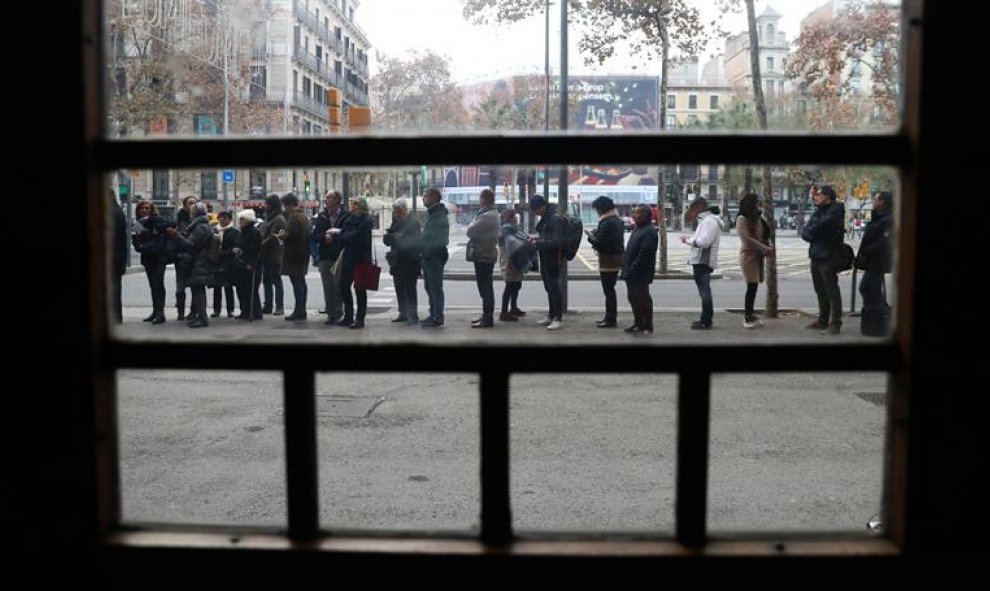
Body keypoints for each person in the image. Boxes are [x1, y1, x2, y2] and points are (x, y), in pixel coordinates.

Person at [801, 185, 846, 335]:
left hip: (828, 255)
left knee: (832, 290)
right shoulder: (818, 212)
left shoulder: (836, 209)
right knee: (820, 290)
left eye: (819, 194)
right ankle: (822, 320)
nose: (816, 197)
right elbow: (805, 232)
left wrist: (814, 230)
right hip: (815, 254)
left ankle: (835, 323)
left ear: (827, 196)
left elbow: (824, 225)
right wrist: (815, 230)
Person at [167, 202, 213, 328]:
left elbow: (190, 245)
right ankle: (200, 316)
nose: (190, 214)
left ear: (195, 213)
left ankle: (202, 318)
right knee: (197, 291)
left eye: (192, 212)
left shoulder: (200, 227)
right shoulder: (202, 226)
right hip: (199, 262)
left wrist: (176, 235)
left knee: (198, 292)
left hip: (199, 263)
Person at [681, 197, 724, 330]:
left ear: (700, 208)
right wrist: (691, 239)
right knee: (704, 292)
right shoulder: (706, 221)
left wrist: (688, 241)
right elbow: (701, 239)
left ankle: (706, 320)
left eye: (693, 209)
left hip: (703, 262)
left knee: (705, 292)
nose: (692, 213)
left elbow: (704, 242)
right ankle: (705, 319)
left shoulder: (709, 222)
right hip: (701, 261)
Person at [735, 192, 775, 329]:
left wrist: (768, 245)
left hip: (757, 256)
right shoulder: (742, 218)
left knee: (754, 286)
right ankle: (747, 317)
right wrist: (765, 249)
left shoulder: (757, 217)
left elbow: (764, 233)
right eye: (756, 202)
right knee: (751, 287)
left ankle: (750, 314)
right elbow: (747, 239)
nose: (758, 204)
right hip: (748, 257)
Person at [857, 191, 894, 337]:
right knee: (870, 289)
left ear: (883, 201)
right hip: (872, 261)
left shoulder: (888, 219)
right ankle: (879, 318)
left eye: (876, 199)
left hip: (878, 261)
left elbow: (884, 241)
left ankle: (882, 318)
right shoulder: (878, 216)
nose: (873, 200)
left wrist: (866, 250)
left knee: (868, 288)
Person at [528, 194, 566, 331]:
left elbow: (556, 242)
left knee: (555, 288)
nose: (534, 212)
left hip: (554, 258)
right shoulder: (546, 218)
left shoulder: (554, 219)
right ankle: (551, 315)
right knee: (549, 288)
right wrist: (536, 241)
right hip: (545, 257)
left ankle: (558, 318)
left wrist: (538, 243)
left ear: (542, 206)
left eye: (535, 209)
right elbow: (546, 237)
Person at [586, 195, 625, 328]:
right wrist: (598, 233)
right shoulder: (617, 220)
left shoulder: (606, 222)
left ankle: (610, 319)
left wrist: (590, 237)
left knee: (608, 291)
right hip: (616, 258)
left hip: (608, 260)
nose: (597, 212)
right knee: (610, 290)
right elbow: (609, 239)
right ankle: (609, 317)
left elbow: (600, 244)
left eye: (597, 209)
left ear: (602, 209)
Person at [311, 190, 349, 325]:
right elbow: (314, 236)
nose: (327, 200)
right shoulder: (321, 216)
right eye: (326, 198)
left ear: (337, 200)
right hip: (325, 256)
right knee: (327, 286)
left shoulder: (345, 216)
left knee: (338, 285)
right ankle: (331, 314)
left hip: (339, 256)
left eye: (330, 198)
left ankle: (339, 312)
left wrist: (336, 235)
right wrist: (323, 237)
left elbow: (348, 234)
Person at [337, 197, 374, 329]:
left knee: (360, 290)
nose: (351, 206)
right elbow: (342, 234)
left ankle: (360, 319)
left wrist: (345, 236)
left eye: (354, 204)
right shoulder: (349, 218)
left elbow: (357, 236)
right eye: (351, 203)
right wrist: (345, 236)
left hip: (362, 259)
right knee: (343, 286)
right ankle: (348, 316)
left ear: (360, 206)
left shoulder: (366, 219)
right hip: (349, 258)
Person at [465, 188, 500, 328]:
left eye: (480, 198)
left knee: (485, 287)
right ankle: (486, 315)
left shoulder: (487, 216)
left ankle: (487, 318)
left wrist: (472, 224)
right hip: (484, 253)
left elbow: (470, 231)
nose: (479, 200)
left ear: (485, 199)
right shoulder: (488, 214)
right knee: (485, 287)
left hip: (484, 254)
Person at [621, 205, 659, 334]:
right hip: (631, 272)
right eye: (634, 213)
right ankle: (638, 323)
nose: (634, 215)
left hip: (639, 273)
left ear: (646, 216)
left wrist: (633, 268)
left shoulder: (649, 231)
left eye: (638, 213)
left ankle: (647, 325)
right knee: (634, 299)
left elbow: (645, 254)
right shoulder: (638, 228)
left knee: (642, 299)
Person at [383, 198, 421, 325]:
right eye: (395, 211)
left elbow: (415, 241)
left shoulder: (413, 223)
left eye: (398, 211)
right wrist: (394, 236)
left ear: (404, 210)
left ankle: (413, 314)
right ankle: (403, 313)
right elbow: (386, 239)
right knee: (399, 288)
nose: (396, 214)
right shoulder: (395, 222)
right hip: (397, 260)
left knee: (410, 289)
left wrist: (399, 238)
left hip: (410, 261)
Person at [131, 200, 167, 324]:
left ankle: (160, 313)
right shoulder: (138, 223)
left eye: (147, 208)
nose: (145, 210)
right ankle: (155, 311)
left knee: (158, 285)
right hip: (147, 258)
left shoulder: (157, 220)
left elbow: (165, 230)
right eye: (142, 208)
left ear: (152, 210)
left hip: (158, 258)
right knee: (153, 286)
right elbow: (135, 240)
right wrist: (139, 246)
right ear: (139, 210)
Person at [419, 188, 449, 329]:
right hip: (429, 256)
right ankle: (434, 314)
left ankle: (437, 317)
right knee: (430, 287)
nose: (423, 198)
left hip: (434, 257)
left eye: (425, 196)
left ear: (433, 197)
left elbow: (439, 239)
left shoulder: (438, 215)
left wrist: (427, 252)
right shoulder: (434, 214)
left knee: (435, 287)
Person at [278, 193, 312, 321]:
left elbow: (291, 236)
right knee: (301, 282)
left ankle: (299, 311)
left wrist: (282, 235)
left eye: (285, 205)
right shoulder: (304, 217)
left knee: (297, 283)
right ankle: (301, 309)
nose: (285, 208)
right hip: (303, 253)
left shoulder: (293, 218)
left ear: (289, 205)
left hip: (294, 254)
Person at [498, 209, 533, 322]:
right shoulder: (506, 228)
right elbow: (511, 243)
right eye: (514, 216)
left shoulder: (511, 228)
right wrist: (525, 243)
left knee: (516, 284)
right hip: (510, 259)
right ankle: (504, 312)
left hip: (514, 258)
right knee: (510, 285)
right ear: (509, 217)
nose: (516, 218)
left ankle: (513, 308)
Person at [233, 209, 263, 321]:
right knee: (243, 289)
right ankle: (245, 311)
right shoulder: (243, 231)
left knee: (251, 290)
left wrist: (252, 263)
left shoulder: (254, 232)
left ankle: (255, 312)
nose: (240, 221)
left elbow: (256, 249)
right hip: (241, 263)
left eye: (242, 219)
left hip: (250, 264)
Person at [259, 194, 286, 316]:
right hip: (265, 254)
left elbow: (274, 237)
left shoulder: (279, 219)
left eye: (267, 204)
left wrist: (260, 245)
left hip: (274, 254)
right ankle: (268, 305)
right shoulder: (267, 218)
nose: (265, 206)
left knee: (276, 280)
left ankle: (279, 306)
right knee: (266, 281)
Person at [210, 211, 239, 318]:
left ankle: (230, 310)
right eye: (220, 217)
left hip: (228, 262)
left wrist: (223, 253)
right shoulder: (214, 230)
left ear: (230, 219)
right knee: (216, 287)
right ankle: (216, 310)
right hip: (216, 263)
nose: (222, 219)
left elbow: (235, 247)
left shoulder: (234, 231)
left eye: (225, 217)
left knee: (228, 287)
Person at [173, 195, 198, 320]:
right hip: (181, 258)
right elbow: (176, 237)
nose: (192, 205)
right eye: (190, 203)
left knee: (195, 286)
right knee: (180, 287)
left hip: (195, 258)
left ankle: (193, 312)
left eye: (194, 203)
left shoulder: (198, 219)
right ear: (184, 205)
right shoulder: (179, 219)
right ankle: (180, 312)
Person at [110, 190, 128, 324]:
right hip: (118, 257)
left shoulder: (109, 212)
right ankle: (117, 316)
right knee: (116, 287)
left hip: (111, 257)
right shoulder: (118, 211)